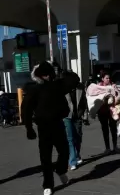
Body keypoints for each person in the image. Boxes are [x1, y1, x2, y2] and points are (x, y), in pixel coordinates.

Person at [22, 61, 79, 195]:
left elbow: (75, 79)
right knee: (45, 157)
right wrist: (29, 128)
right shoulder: (34, 89)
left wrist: (62, 71)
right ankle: (48, 184)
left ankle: (60, 169)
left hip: (58, 124)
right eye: (44, 74)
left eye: (49, 74)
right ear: (39, 76)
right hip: (43, 127)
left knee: (64, 151)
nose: (47, 77)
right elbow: (26, 110)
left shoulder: (58, 85)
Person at [63, 80, 88, 170]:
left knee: (78, 136)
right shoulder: (62, 88)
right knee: (70, 139)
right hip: (67, 116)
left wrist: (85, 116)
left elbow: (84, 102)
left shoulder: (80, 87)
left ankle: (77, 155)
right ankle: (72, 161)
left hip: (78, 116)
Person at [98, 72, 120, 154]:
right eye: (106, 78)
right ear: (102, 79)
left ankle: (115, 146)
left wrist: (115, 90)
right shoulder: (99, 86)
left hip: (112, 110)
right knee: (105, 129)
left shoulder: (113, 85)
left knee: (113, 128)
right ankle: (107, 148)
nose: (108, 79)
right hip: (102, 111)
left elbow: (119, 96)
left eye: (109, 78)